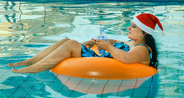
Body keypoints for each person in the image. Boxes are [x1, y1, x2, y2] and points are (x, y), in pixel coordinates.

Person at [9, 13, 163, 74]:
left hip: (99, 62)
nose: (129, 28)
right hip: (99, 56)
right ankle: (30, 61)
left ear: (144, 33)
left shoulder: (142, 49)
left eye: (133, 26)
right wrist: (95, 41)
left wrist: (108, 47)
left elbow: (126, 59)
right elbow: (116, 41)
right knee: (66, 41)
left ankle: (33, 68)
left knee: (71, 45)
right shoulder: (132, 42)